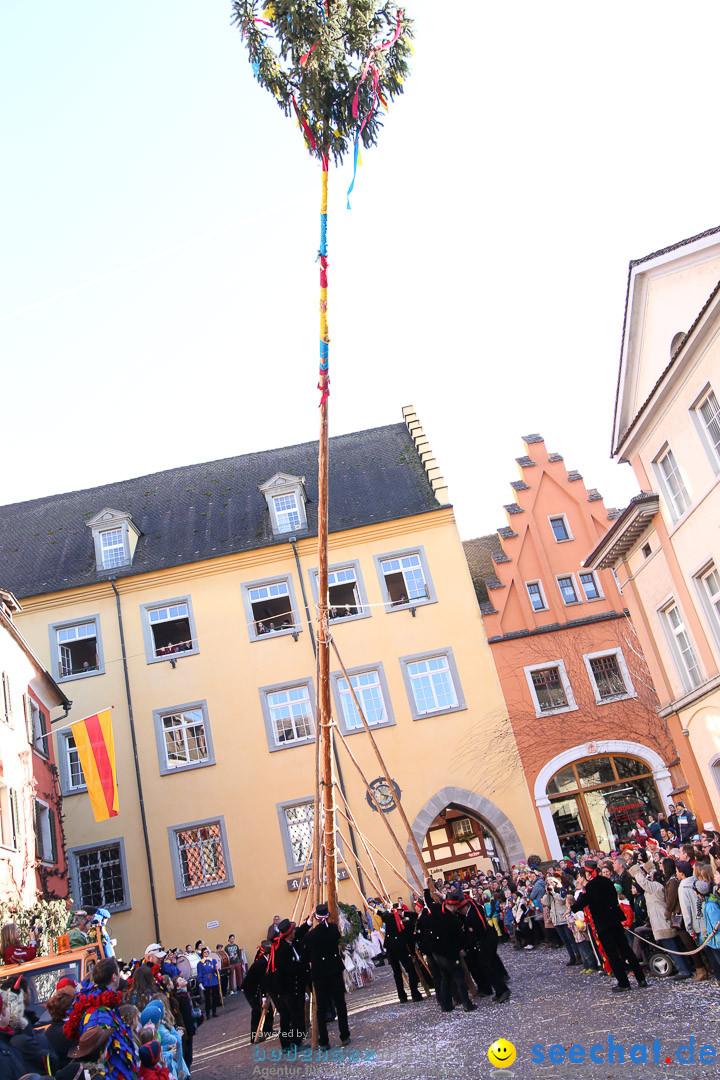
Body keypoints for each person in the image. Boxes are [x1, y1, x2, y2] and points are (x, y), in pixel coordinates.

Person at [571, 858, 647, 992]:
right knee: (626, 950)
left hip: (603, 924)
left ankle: (623, 983)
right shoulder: (607, 881)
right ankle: (641, 979)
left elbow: (582, 902)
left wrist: (572, 908)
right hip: (615, 920)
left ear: (588, 874)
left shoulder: (590, 887)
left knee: (612, 954)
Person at [63, 958, 138, 1080]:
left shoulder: (106, 1007)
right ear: (114, 977)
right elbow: (96, 1055)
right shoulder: (98, 1013)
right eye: (118, 973)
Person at [627, 857, 692, 978]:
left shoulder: (656, 886)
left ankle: (683, 970)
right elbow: (652, 875)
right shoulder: (658, 885)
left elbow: (643, 883)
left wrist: (636, 871)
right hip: (661, 922)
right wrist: (649, 867)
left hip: (662, 923)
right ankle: (685, 968)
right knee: (674, 947)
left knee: (672, 948)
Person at [422, 880, 476, 1014]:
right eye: (455, 907)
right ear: (452, 907)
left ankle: (445, 1005)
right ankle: (467, 1004)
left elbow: (428, 900)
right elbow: (458, 937)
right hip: (449, 954)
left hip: (437, 953)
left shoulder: (436, 910)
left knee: (445, 977)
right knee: (459, 977)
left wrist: (425, 886)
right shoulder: (452, 919)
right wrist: (462, 949)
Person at [302, 904, 351, 1049]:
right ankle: (344, 1035)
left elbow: (305, 953)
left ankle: (324, 1041)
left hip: (320, 974)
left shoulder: (310, 936)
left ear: (316, 917)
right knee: (340, 1004)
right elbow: (336, 938)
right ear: (327, 916)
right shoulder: (334, 930)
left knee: (321, 1009)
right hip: (334, 970)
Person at [455, 891, 510, 1003]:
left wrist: (464, 949)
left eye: (461, 909)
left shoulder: (471, 917)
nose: (460, 912)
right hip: (488, 938)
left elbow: (472, 937)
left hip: (486, 940)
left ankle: (503, 989)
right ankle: (499, 990)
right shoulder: (475, 907)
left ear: (465, 907)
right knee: (490, 965)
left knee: (486, 966)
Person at [267, 920, 308, 1052]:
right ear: (289, 934)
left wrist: (308, 922)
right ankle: (294, 1042)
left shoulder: (290, 942)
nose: (295, 932)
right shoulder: (282, 949)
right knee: (293, 1015)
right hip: (287, 987)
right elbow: (290, 969)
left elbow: (301, 932)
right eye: (293, 931)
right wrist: (305, 966)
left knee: (288, 1015)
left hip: (293, 986)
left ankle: (288, 1043)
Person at [378, 902, 423, 1004]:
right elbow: (410, 939)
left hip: (391, 949)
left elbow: (383, 915)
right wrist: (412, 953)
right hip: (401, 949)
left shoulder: (389, 919)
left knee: (398, 973)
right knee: (409, 971)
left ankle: (402, 996)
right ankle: (414, 994)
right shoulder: (404, 922)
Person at [241, 942, 274, 1044]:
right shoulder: (261, 963)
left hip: (258, 988)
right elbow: (262, 980)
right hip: (251, 990)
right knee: (256, 1011)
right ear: (268, 954)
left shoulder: (266, 961)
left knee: (269, 1010)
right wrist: (264, 997)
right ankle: (254, 1036)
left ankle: (268, 1031)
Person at [171, 976, 196, 1069]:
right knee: (187, 1053)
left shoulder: (181, 996)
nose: (183, 979)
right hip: (187, 1028)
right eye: (180, 980)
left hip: (185, 1028)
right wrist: (198, 1015)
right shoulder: (183, 996)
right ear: (178, 987)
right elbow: (189, 1013)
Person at [196, 948, 221, 1019]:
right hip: (206, 980)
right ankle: (207, 1014)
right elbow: (200, 973)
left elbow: (217, 970)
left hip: (213, 979)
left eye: (207, 952)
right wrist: (200, 982)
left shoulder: (213, 960)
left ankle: (214, 1012)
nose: (206, 953)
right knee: (207, 998)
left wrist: (217, 970)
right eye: (204, 952)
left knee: (214, 996)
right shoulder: (200, 963)